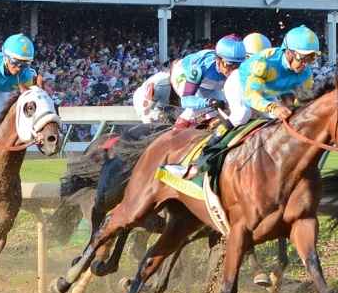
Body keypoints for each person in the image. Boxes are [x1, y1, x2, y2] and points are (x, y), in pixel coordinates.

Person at [181, 26, 320, 179]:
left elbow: (303, 100)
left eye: (311, 58)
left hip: (265, 90)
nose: (306, 64)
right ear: (289, 52)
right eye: (303, 58)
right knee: (242, 114)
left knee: (279, 121)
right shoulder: (264, 62)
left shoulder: (306, 73)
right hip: (240, 83)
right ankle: (207, 154)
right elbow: (250, 95)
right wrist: (273, 107)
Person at [131, 35, 248, 127]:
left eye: (238, 65)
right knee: (198, 108)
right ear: (218, 60)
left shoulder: (243, 67)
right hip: (182, 73)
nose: (234, 70)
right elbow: (186, 100)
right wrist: (208, 102)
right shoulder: (200, 67)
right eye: (229, 65)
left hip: (207, 85)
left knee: (223, 110)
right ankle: (174, 137)